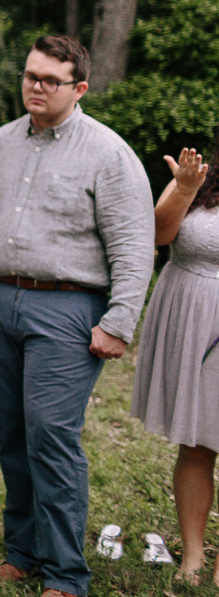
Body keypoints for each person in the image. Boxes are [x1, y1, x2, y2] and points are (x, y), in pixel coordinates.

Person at [0, 35, 154, 597]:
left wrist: (120, 321)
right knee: (12, 432)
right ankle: (21, 552)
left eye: (49, 80)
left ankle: (66, 574)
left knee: (51, 434)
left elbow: (133, 241)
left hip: (69, 307)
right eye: (29, 76)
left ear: (79, 88)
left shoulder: (108, 153)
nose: (35, 87)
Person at [131, 144, 219, 585]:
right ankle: (193, 555)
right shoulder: (198, 179)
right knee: (198, 442)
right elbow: (158, 234)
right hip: (190, 318)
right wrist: (184, 189)